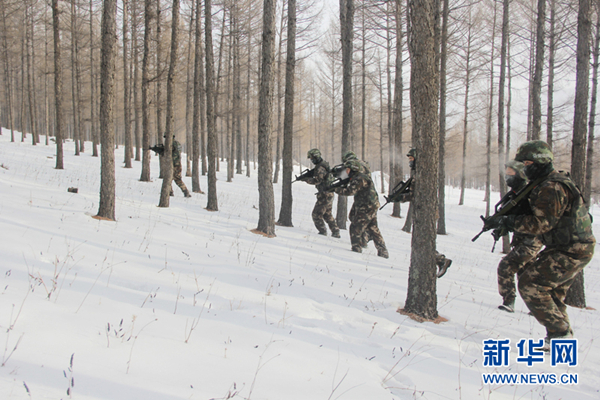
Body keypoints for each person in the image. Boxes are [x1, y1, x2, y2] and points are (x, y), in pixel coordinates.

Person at [487, 140, 595, 348]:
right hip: (565, 246)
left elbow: (541, 223)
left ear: (540, 162)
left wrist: (508, 221)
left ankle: (561, 333)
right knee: (552, 293)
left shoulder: (551, 186)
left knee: (530, 284)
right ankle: (560, 339)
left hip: (573, 249)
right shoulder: (545, 182)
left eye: (527, 163)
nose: (523, 168)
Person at [393, 148, 452, 277]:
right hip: (423, 211)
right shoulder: (418, 173)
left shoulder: (423, 174)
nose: (410, 162)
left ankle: (441, 260)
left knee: (423, 241)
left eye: (412, 159)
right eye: (409, 159)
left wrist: (400, 198)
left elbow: (416, 194)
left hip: (427, 213)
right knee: (421, 241)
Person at [495, 160, 543, 313]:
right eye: (507, 173)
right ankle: (537, 307)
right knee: (526, 275)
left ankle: (509, 301)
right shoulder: (516, 193)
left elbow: (535, 220)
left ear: (521, 174)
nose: (508, 176)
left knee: (506, 266)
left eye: (511, 173)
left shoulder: (528, 193)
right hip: (522, 241)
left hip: (532, 241)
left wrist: (509, 221)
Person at [333, 159, 389, 258]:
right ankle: (383, 251)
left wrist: (335, 189)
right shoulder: (359, 177)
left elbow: (350, 191)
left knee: (355, 227)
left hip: (366, 206)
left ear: (353, 169)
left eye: (348, 169)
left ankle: (356, 249)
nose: (346, 171)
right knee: (373, 228)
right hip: (370, 205)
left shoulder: (359, 178)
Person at [304, 149, 340, 238]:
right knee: (327, 214)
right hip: (328, 193)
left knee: (316, 214)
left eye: (312, 158)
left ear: (316, 157)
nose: (312, 160)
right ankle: (336, 232)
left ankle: (322, 232)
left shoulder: (320, 168)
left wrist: (306, 179)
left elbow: (317, 180)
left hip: (325, 194)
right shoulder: (323, 165)